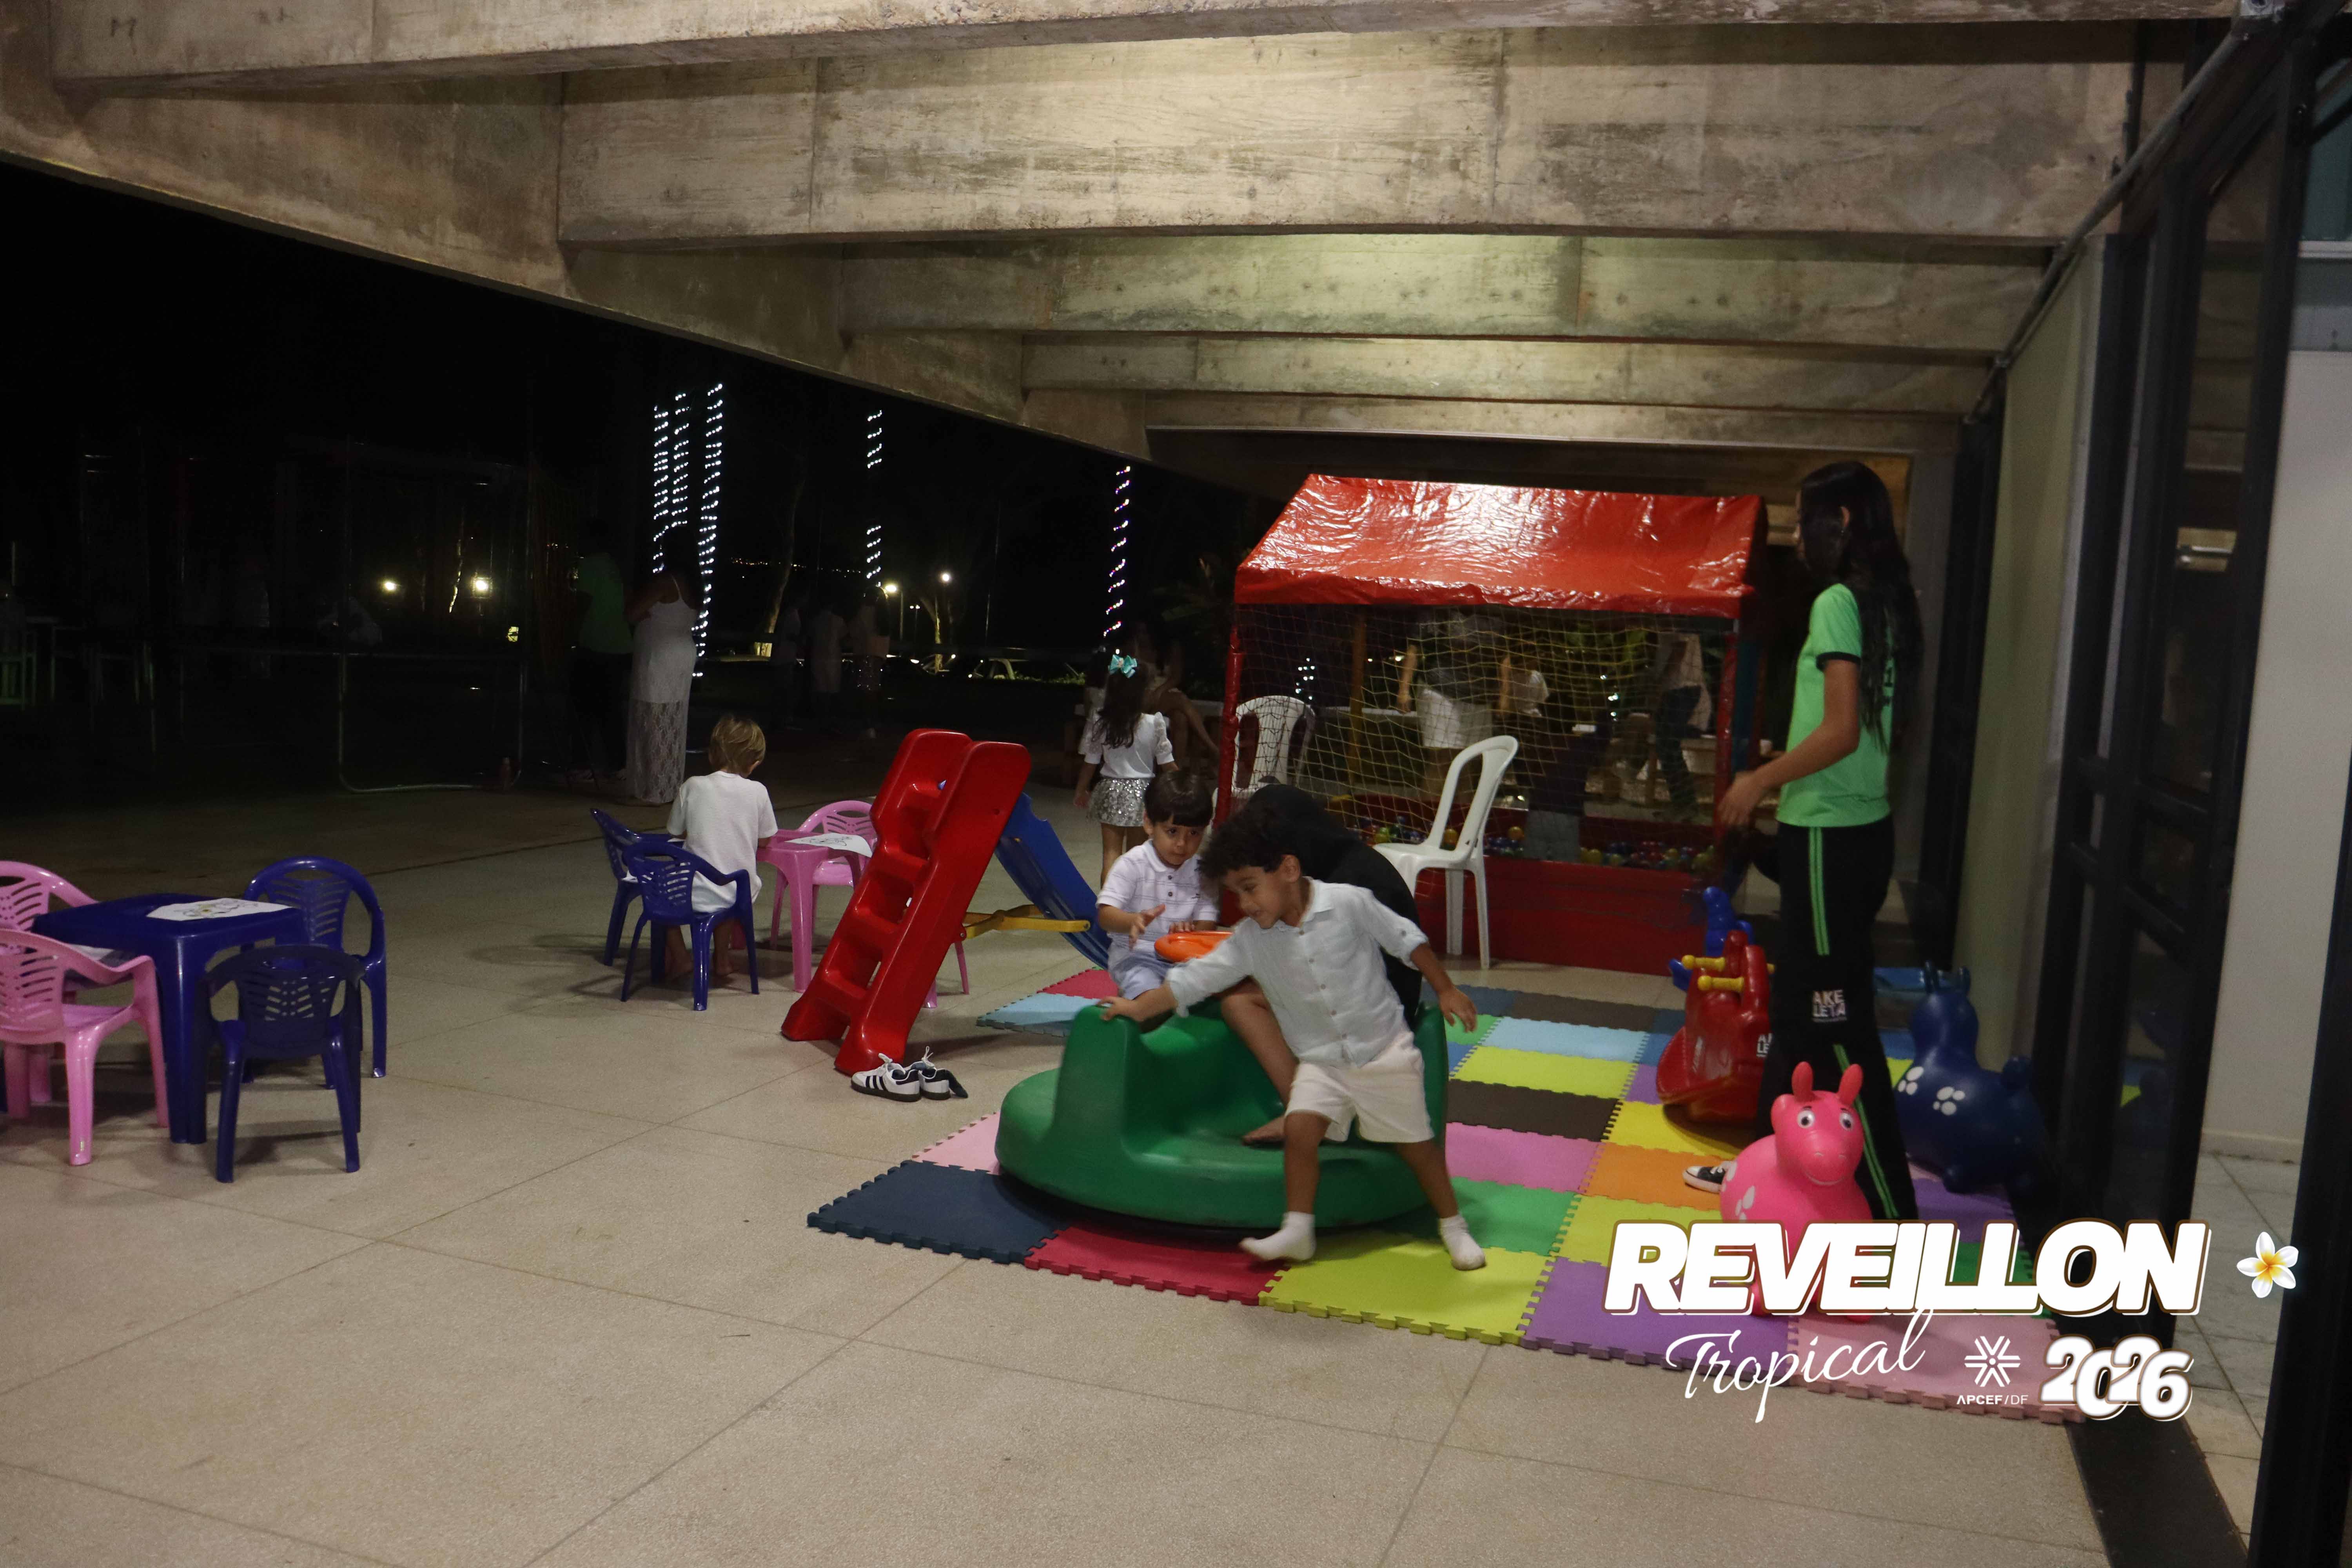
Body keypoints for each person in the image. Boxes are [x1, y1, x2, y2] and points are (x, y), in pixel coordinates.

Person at [1685, 462, 1922, 1223]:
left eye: (1801, 518)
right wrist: (1785, 778)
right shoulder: (1886, 602)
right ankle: (1765, 1164)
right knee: (1795, 1011)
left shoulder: (1838, 602)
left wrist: (1760, 779)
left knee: (1836, 1022)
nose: (1794, 534)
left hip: (1831, 839)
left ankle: (1892, 1208)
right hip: (1852, 831)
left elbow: (1842, 729)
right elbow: (1862, 738)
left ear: (1841, 521)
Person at [1100, 806, 1485, 1269]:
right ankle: (1299, 1230)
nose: (1245, 904)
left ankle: (1453, 1225)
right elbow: (1195, 980)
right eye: (1235, 893)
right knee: (1301, 1131)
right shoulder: (1251, 939)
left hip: (1382, 1051)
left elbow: (1406, 939)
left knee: (1417, 1147)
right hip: (1321, 1061)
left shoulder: (1348, 903)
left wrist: (1446, 989)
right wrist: (1139, 1007)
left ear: (1288, 869)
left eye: (1250, 888)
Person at [664, 713, 776, 987]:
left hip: (693, 889)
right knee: (727, 884)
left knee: (659, 895)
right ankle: (722, 960)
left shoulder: (692, 785)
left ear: (712, 753)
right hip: (739, 891)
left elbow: (676, 831)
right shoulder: (758, 791)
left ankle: (681, 958)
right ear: (755, 763)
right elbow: (765, 840)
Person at [1096, 774, 1219, 999]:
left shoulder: (1203, 872)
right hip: (1138, 958)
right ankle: (1136, 1002)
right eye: (1172, 831)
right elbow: (1105, 915)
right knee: (1149, 996)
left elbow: (1207, 920)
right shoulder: (1132, 864)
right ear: (1149, 823)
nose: (1182, 843)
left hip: (1185, 960)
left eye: (1194, 833)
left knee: (1221, 992)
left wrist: (1192, 931)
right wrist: (1133, 920)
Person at [1074, 653, 1176, 885]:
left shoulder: (1101, 722)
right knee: (1135, 856)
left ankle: (1108, 902)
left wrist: (1081, 790)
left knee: (1110, 854)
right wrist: (1186, 786)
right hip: (1143, 795)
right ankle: (1131, 902)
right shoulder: (1154, 723)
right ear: (1143, 693)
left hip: (1110, 791)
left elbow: (1091, 762)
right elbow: (1168, 764)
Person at [1396, 610, 1504, 799]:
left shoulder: (1493, 613)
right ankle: (1428, 814)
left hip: (1480, 694)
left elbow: (1504, 657)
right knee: (1442, 759)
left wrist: (1505, 695)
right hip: (1440, 688)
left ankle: (1462, 816)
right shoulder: (1436, 613)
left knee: (1469, 762)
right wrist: (1404, 690)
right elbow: (1414, 650)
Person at [624, 568, 697, 806]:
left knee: (651, 719)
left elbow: (632, 613)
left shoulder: (665, 582)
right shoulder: (694, 583)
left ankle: (651, 790)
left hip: (660, 656)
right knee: (672, 719)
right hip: (680, 652)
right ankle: (666, 785)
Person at [570, 519, 633, 783]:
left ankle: (583, 764)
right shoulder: (613, 565)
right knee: (610, 709)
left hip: (595, 644)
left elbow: (582, 603)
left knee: (584, 708)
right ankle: (618, 764)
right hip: (620, 645)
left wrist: (569, 635)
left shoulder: (590, 565)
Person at [1650, 631, 1707, 815]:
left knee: (1668, 747)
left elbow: (1679, 649)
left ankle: (1685, 804)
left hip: (1682, 689)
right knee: (1667, 748)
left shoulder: (1682, 621)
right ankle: (1683, 803)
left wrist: (1660, 683)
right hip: (1677, 689)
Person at [808, 588, 847, 733]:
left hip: (818, 658)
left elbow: (811, 637)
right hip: (833, 659)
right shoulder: (838, 621)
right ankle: (829, 720)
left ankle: (820, 719)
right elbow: (844, 638)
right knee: (831, 690)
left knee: (819, 688)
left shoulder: (816, 621)